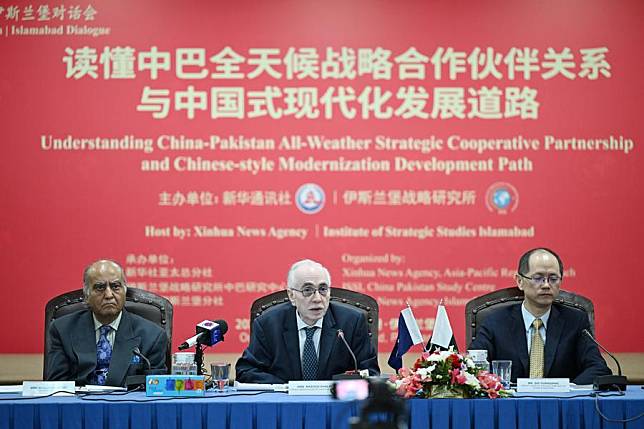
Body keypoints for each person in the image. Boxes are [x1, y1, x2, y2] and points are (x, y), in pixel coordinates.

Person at [468, 248, 611, 384]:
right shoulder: (495, 321)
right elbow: (472, 367)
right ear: (519, 281)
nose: (546, 285)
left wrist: (566, 390)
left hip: (560, 405)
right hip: (510, 406)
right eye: (538, 278)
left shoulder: (575, 321)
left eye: (553, 279)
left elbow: (598, 369)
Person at [236, 259, 380, 383]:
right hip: (287, 405)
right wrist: (287, 388)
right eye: (308, 290)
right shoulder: (268, 324)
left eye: (323, 289)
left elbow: (370, 373)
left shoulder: (351, 322)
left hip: (336, 406)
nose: (317, 298)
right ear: (292, 295)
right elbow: (246, 371)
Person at [46, 259, 168, 386]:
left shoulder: (153, 336)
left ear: (124, 292)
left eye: (115, 286)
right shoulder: (62, 330)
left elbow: (155, 389)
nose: (109, 295)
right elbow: (56, 387)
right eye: (100, 288)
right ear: (87, 296)